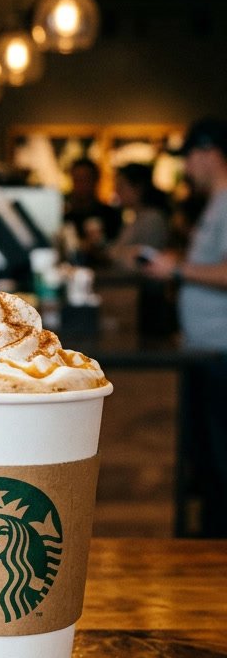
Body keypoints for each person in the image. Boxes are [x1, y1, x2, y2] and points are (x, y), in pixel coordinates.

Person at [144, 117, 227, 536]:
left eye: (190, 158)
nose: (186, 169)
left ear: (209, 153)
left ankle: (216, 554)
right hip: (206, 351)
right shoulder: (215, 202)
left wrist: (178, 269)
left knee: (220, 464)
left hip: (221, 355)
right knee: (209, 464)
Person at [109, 162, 171, 265]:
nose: (116, 191)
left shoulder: (152, 219)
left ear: (138, 188)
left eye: (121, 186)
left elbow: (145, 260)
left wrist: (114, 254)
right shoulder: (137, 217)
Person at [63, 157, 122, 266]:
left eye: (85, 179)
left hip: (107, 275)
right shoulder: (66, 218)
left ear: (96, 181)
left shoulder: (111, 215)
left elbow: (119, 251)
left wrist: (97, 247)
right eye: (77, 180)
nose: (81, 185)